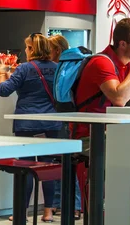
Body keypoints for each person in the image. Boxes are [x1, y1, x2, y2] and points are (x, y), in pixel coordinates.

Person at [0, 33, 60, 222]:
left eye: (27, 47)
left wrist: (1, 74)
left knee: (25, 168)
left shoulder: (24, 68)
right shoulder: (57, 68)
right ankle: (48, 211)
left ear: (32, 49)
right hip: (51, 123)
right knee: (48, 167)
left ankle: (22, 212)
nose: (25, 50)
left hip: (27, 124)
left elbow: (3, 90)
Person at [72, 18, 130, 145]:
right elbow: (119, 99)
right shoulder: (102, 62)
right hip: (89, 137)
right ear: (122, 44)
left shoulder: (125, 66)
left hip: (108, 132)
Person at [48, 35, 82, 220]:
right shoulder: (67, 66)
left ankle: (73, 205)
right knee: (60, 161)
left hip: (61, 118)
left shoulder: (60, 67)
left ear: (57, 50)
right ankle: (61, 203)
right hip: (66, 117)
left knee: (64, 161)